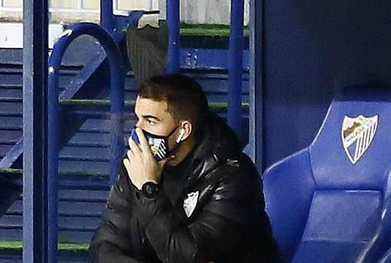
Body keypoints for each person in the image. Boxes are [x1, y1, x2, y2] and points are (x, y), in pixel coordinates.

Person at [91, 73, 282, 263]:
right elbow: (106, 244)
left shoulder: (233, 175)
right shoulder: (137, 164)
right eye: (137, 119)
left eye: (150, 121)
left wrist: (149, 190)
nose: (138, 130)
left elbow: (189, 255)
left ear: (183, 130)